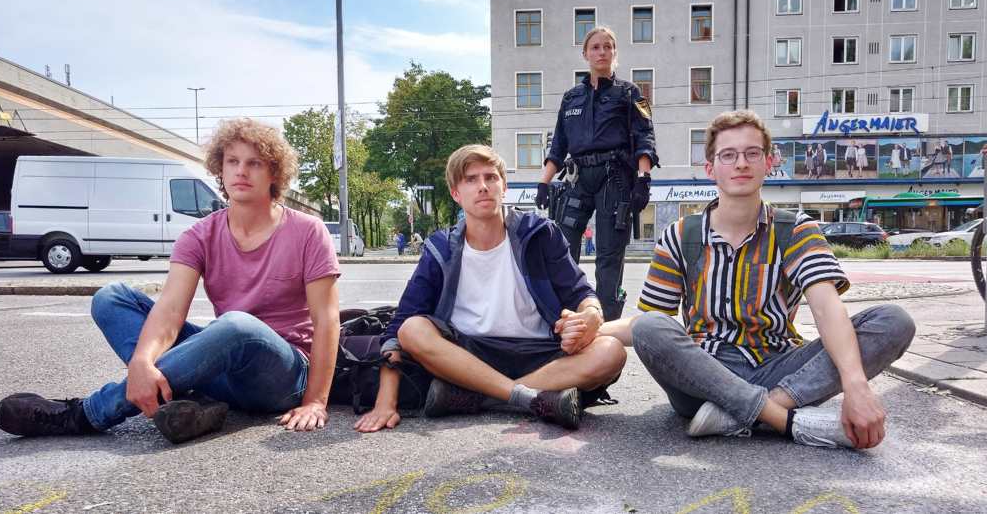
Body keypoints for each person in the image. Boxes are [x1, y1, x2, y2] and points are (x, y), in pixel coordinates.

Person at [0, 119, 343, 443]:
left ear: (273, 173)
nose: (241, 171)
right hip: (220, 365)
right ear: (219, 169)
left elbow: (326, 321)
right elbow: (171, 311)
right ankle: (187, 402)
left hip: (280, 376)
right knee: (111, 297)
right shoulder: (199, 235)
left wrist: (315, 401)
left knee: (236, 326)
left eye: (254, 163)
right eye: (232, 161)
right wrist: (143, 362)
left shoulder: (307, 231)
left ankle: (88, 414)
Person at [600, 110, 915, 449]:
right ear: (711, 169)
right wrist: (589, 327)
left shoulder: (795, 229)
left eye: (752, 153)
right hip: (701, 377)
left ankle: (745, 414)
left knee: (893, 321)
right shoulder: (679, 235)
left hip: (779, 368)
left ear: (768, 163)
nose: (741, 164)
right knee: (651, 326)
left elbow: (827, 307)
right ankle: (785, 421)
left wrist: (857, 386)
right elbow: (651, 322)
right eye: (728, 155)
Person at [365, 144, 626, 432]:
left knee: (611, 352)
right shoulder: (440, 248)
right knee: (413, 330)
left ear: (504, 187)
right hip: (467, 355)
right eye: (471, 180)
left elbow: (581, 294)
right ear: (456, 194)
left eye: (491, 177)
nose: (483, 187)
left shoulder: (540, 233)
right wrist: (385, 402)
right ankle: (536, 397)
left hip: (541, 354)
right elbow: (400, 326)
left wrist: (591, 315)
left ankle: (482, 396)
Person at [534, 26, 658, 321]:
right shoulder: (570, 98)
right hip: (577, 178)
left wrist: (643, 179)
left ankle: (607, 325)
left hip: (614, 178)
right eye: (595, 47)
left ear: (615, 53)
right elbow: (558, 146)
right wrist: (543, 182)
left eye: (608, 47)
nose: (601, 52)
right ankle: (564, 315)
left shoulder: (632, 93)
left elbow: (646, 137)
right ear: (585, 54)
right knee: (561, 248)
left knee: (608, 257)